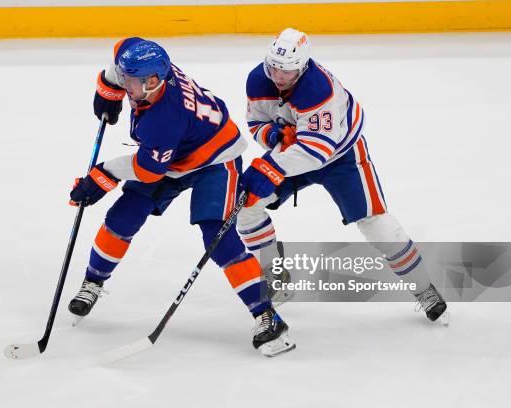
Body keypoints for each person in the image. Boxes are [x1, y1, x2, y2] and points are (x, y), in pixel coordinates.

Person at [67, 37, 296, 356]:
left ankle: (267, 317)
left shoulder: (165, 117)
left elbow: (148, 170)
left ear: (153, 82)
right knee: (122, 217)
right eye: (124, 77)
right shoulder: (139, 63)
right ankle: (93, 282)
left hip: (215, 159)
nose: (125, 83)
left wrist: (102, 174)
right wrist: (108, 89)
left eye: (129, 82)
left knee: (218, 237)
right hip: (171, 154)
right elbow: (121, 50)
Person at [238, 28, 449, 324]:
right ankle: (275, 276)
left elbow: (317, 152)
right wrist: (273, 134)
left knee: (377, 223)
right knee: (247, 204)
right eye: (273, 67)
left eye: (287, 71)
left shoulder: (317, 87)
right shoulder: (258, 79)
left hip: (340, 157)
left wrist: (270, 167)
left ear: (303, 66)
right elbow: (256, 120)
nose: (278, 76)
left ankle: (424, 289)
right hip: (294, 153)